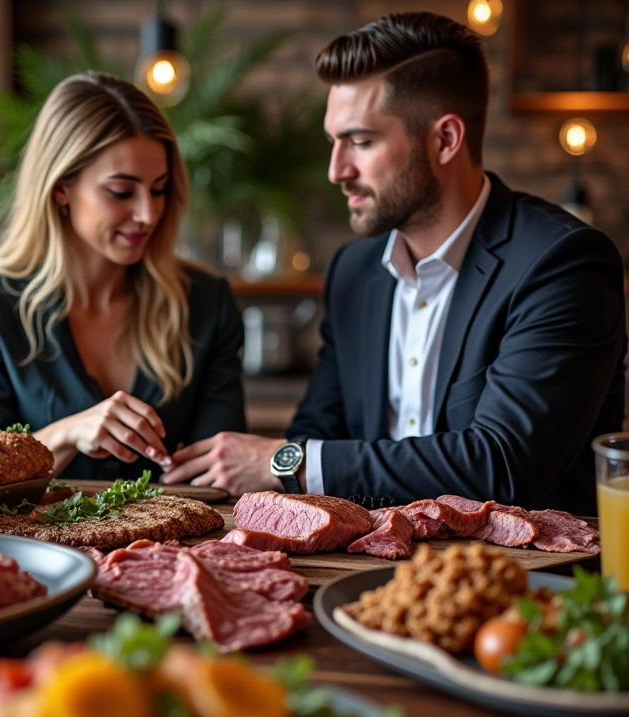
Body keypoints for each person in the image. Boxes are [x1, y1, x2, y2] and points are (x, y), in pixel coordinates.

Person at [160, 12, 626, 516]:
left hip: (526, 578)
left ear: (445, 139)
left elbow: (504, 464)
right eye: (334, 141)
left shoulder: (560, 264)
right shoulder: (354, 272)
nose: (337, 170)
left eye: (360, 142)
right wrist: (298, 460)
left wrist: (286, 462)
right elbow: (319, 430)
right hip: (368, 569)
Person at [0, 71, 246, 480]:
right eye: (121, 191)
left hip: (175, 544)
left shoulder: (205, 302)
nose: (148, 214)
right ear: (61, 187)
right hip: (28, 545)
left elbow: (223, 474)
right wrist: (67, 434)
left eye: (159, 189)